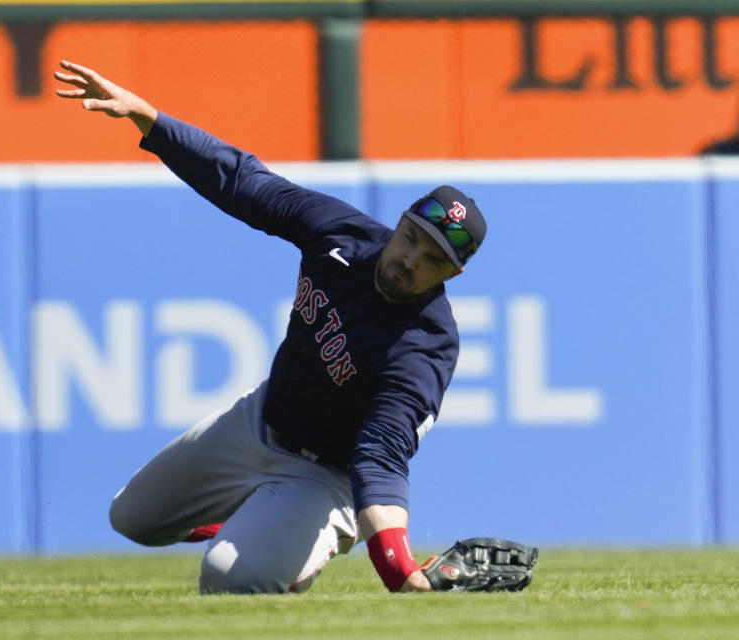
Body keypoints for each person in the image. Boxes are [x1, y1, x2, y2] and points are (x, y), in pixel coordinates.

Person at [54, 60, 527, 595]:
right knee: (132, 518)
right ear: (400, 224)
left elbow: (380, 453)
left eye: (433, 259)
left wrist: (400, 572)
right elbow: (243, 182)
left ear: (453, 274)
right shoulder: (342, 234)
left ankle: (310, 535)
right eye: (412, 238)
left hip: (324, 477)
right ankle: (257, 520)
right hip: (260, 418)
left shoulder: (425, 345)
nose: (412, 259)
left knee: (229, 579)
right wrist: (149, 119)